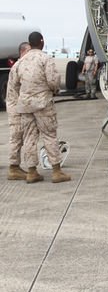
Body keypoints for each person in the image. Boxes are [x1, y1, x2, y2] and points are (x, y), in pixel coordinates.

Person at [10, 31, 71, 184]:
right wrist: (54, 90)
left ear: (29, 44)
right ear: (42, 42)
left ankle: (31, 172)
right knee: (49, 135)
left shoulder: (21, 61)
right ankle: (56, 171)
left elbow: (14, 84)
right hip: (42, 103)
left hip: (25, 105)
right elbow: (52, 80)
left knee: (29, 137)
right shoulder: (45, 58)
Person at [6, 41, 31, 180]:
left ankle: (16, 167)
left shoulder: (20, 66)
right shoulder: (19, 67)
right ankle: (13, 168)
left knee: (20, 138)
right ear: (22, 52)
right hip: (16, 108)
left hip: (19, 106)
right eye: (28, 51)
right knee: (16, 137)